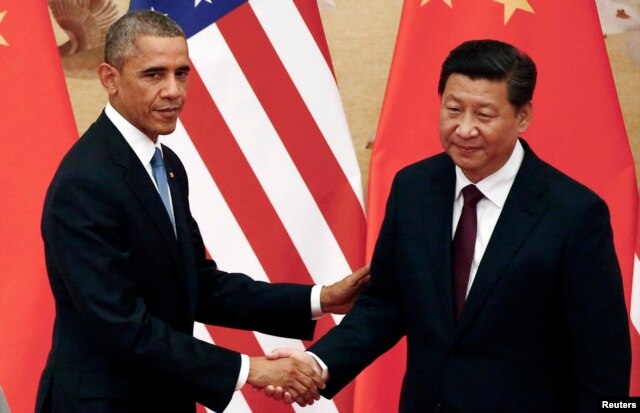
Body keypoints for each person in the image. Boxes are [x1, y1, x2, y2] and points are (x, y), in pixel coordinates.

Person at [267, 39, 631, 412]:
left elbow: (601, 352)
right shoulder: (414, 188)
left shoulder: (573, 213)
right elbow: (386, 302)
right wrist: (318, 363)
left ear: (523, 116)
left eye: (484, 115)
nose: (465, 129)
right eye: (453, 109)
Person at [35, 10, 369, 413]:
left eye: (182, 73)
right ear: (110, 79)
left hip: (164, 398)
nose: (174, 91)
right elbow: (120, 326)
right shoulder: (86, 181)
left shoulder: (167, 165)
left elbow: (198, 285)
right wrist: (250, 369)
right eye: (154, 75)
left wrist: (323, 299)